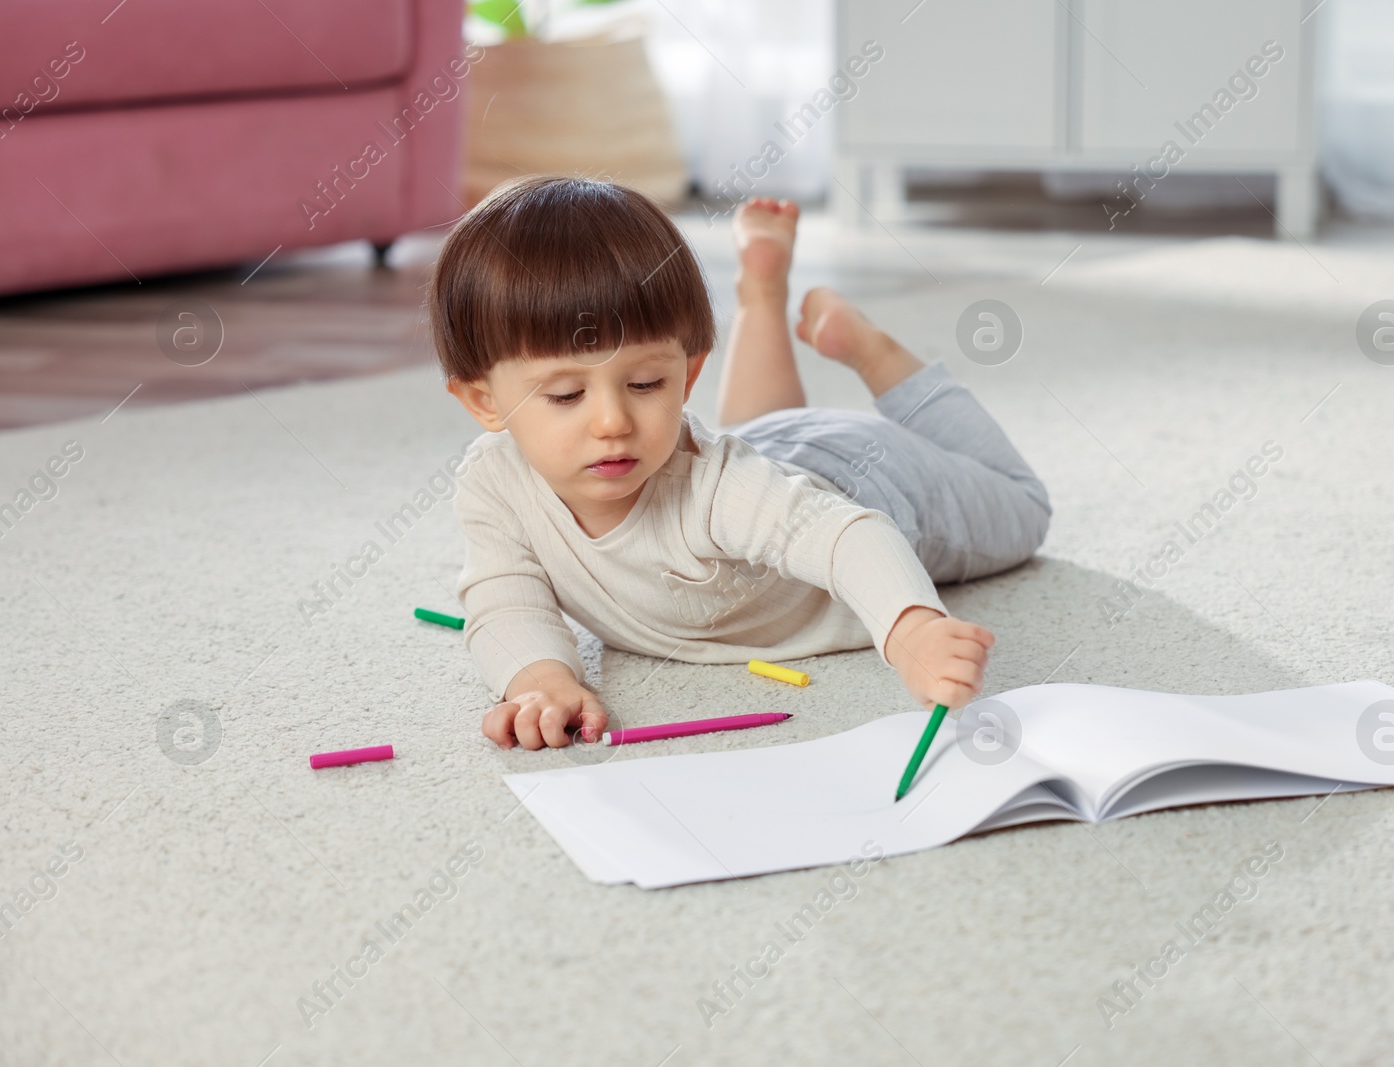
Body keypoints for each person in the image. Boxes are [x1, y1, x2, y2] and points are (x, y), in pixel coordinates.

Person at [432, 176, 1050, 749]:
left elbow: (845, 535)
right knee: (748, 442)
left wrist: (911, 630)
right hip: (770, 455)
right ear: (485, 401)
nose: (612, 422)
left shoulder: (711, 484)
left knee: (1024, 507)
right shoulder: (495, 484)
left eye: (647, 382)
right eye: (566, 396)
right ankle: (761, 297)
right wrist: (540, 680)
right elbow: (505, 597)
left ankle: (880, 355)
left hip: (877, 482)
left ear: (688, 373)